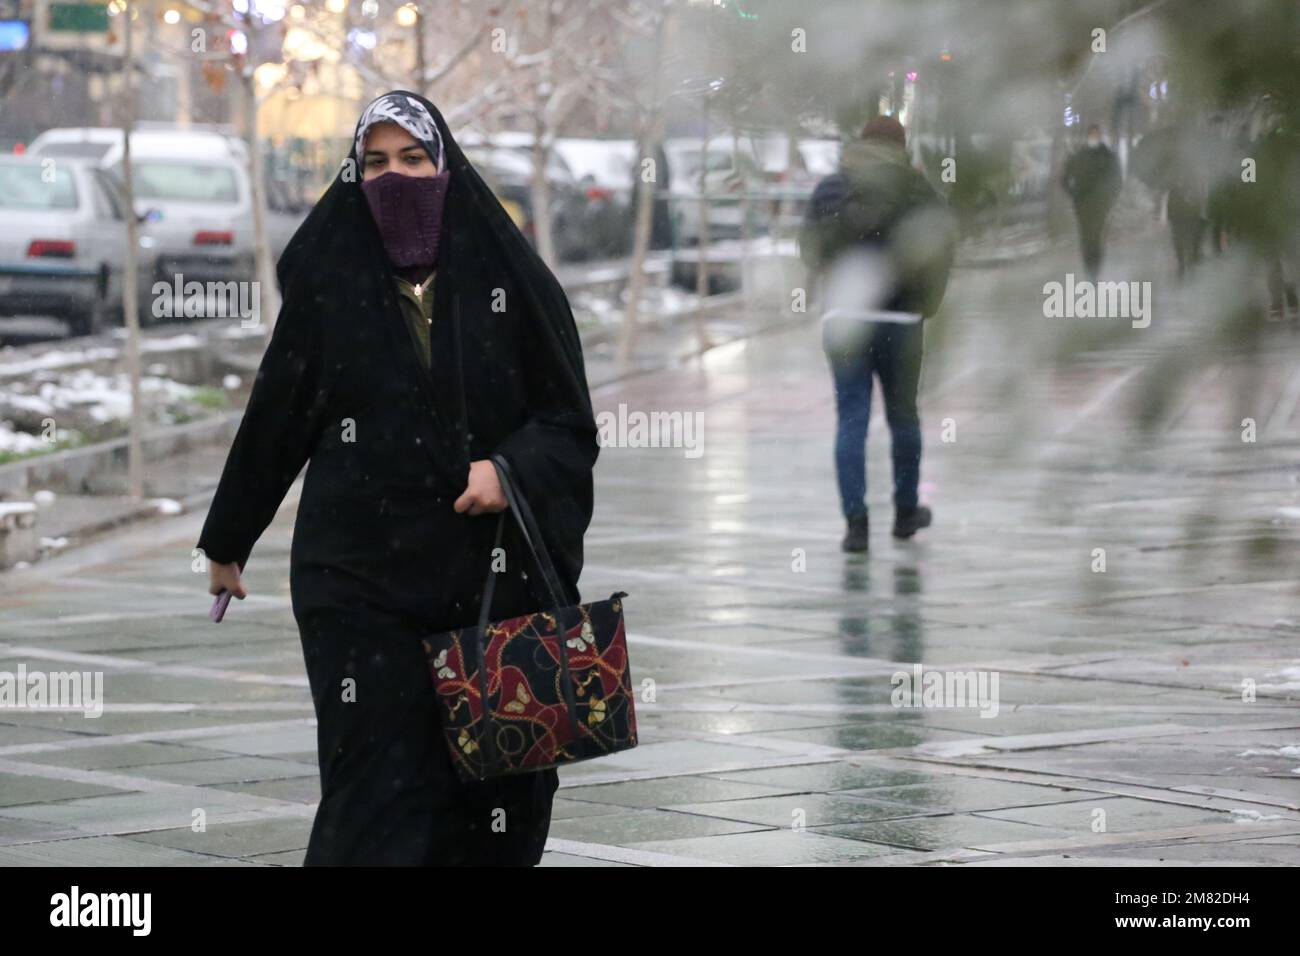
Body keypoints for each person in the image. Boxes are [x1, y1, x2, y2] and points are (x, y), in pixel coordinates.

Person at [196, 91, 599, 865]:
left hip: (483, 578)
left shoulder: (508, 278)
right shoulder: (329, 278)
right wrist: (227, 540)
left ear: (444, 164)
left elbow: (567, 421)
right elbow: (279, 412)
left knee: (490, 799)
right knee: (373, 788)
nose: (395, 178)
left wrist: (508, 471)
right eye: (375, 163)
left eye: (413, 159)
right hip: (357, 579)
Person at [799, 114, 955, 553]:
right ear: (902, 147)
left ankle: (856, 523)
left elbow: (809, 248)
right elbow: (942, 249)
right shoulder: (919, 190)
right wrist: (926, 304)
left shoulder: (832, 188)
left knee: (851, 418)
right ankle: (906, 512)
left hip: (845, 317)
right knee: (903, 416)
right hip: (902, 320)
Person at [1062, 124, 1122, 280]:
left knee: (1097, 238)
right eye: (1092, 135)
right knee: (1087, 239)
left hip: (1102, 205)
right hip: (1083, 205)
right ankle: (1090, 270)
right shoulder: (1079, 156)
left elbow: (1117, 180)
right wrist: (1073, 194)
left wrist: (1110, 198)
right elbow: (1064, 178)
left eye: (1096, 135)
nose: (1094, 138)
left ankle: (1095, 270)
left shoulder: (1108, 156)